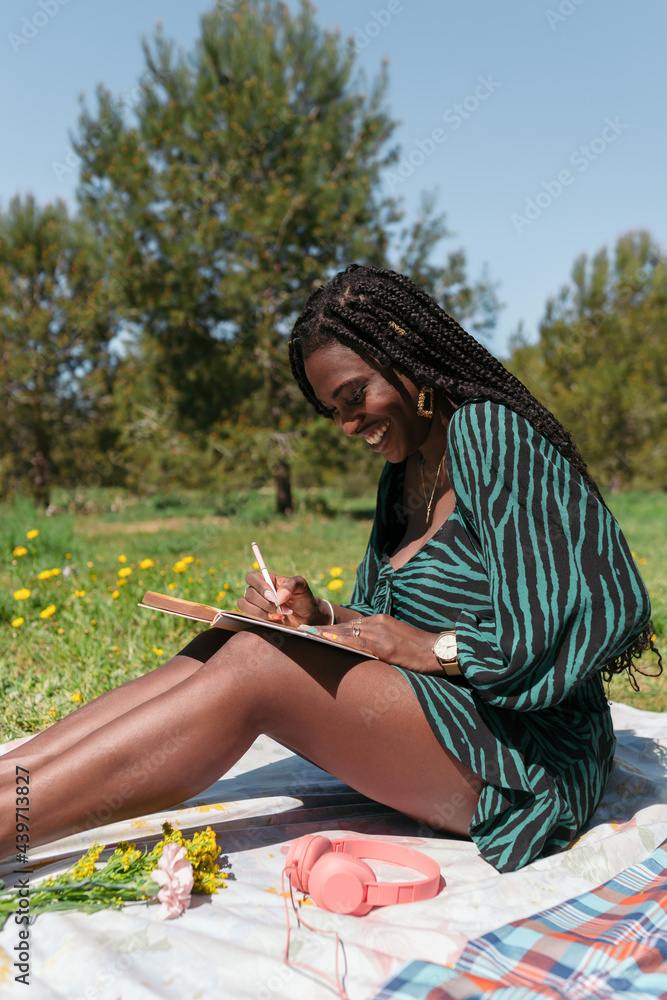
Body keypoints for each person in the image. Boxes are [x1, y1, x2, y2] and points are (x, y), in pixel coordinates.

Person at [0, 264, 660, 873]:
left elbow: (582, 615)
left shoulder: (493, 435)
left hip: (529, 754)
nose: (346, 424)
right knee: (231, 638)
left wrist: (439, 648)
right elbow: (386, 627)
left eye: (353, 395)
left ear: (407, 360)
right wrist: (319, 615)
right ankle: (14, 784)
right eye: (332, 411)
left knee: (260, 666)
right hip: (450, 716)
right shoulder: (404, 471)